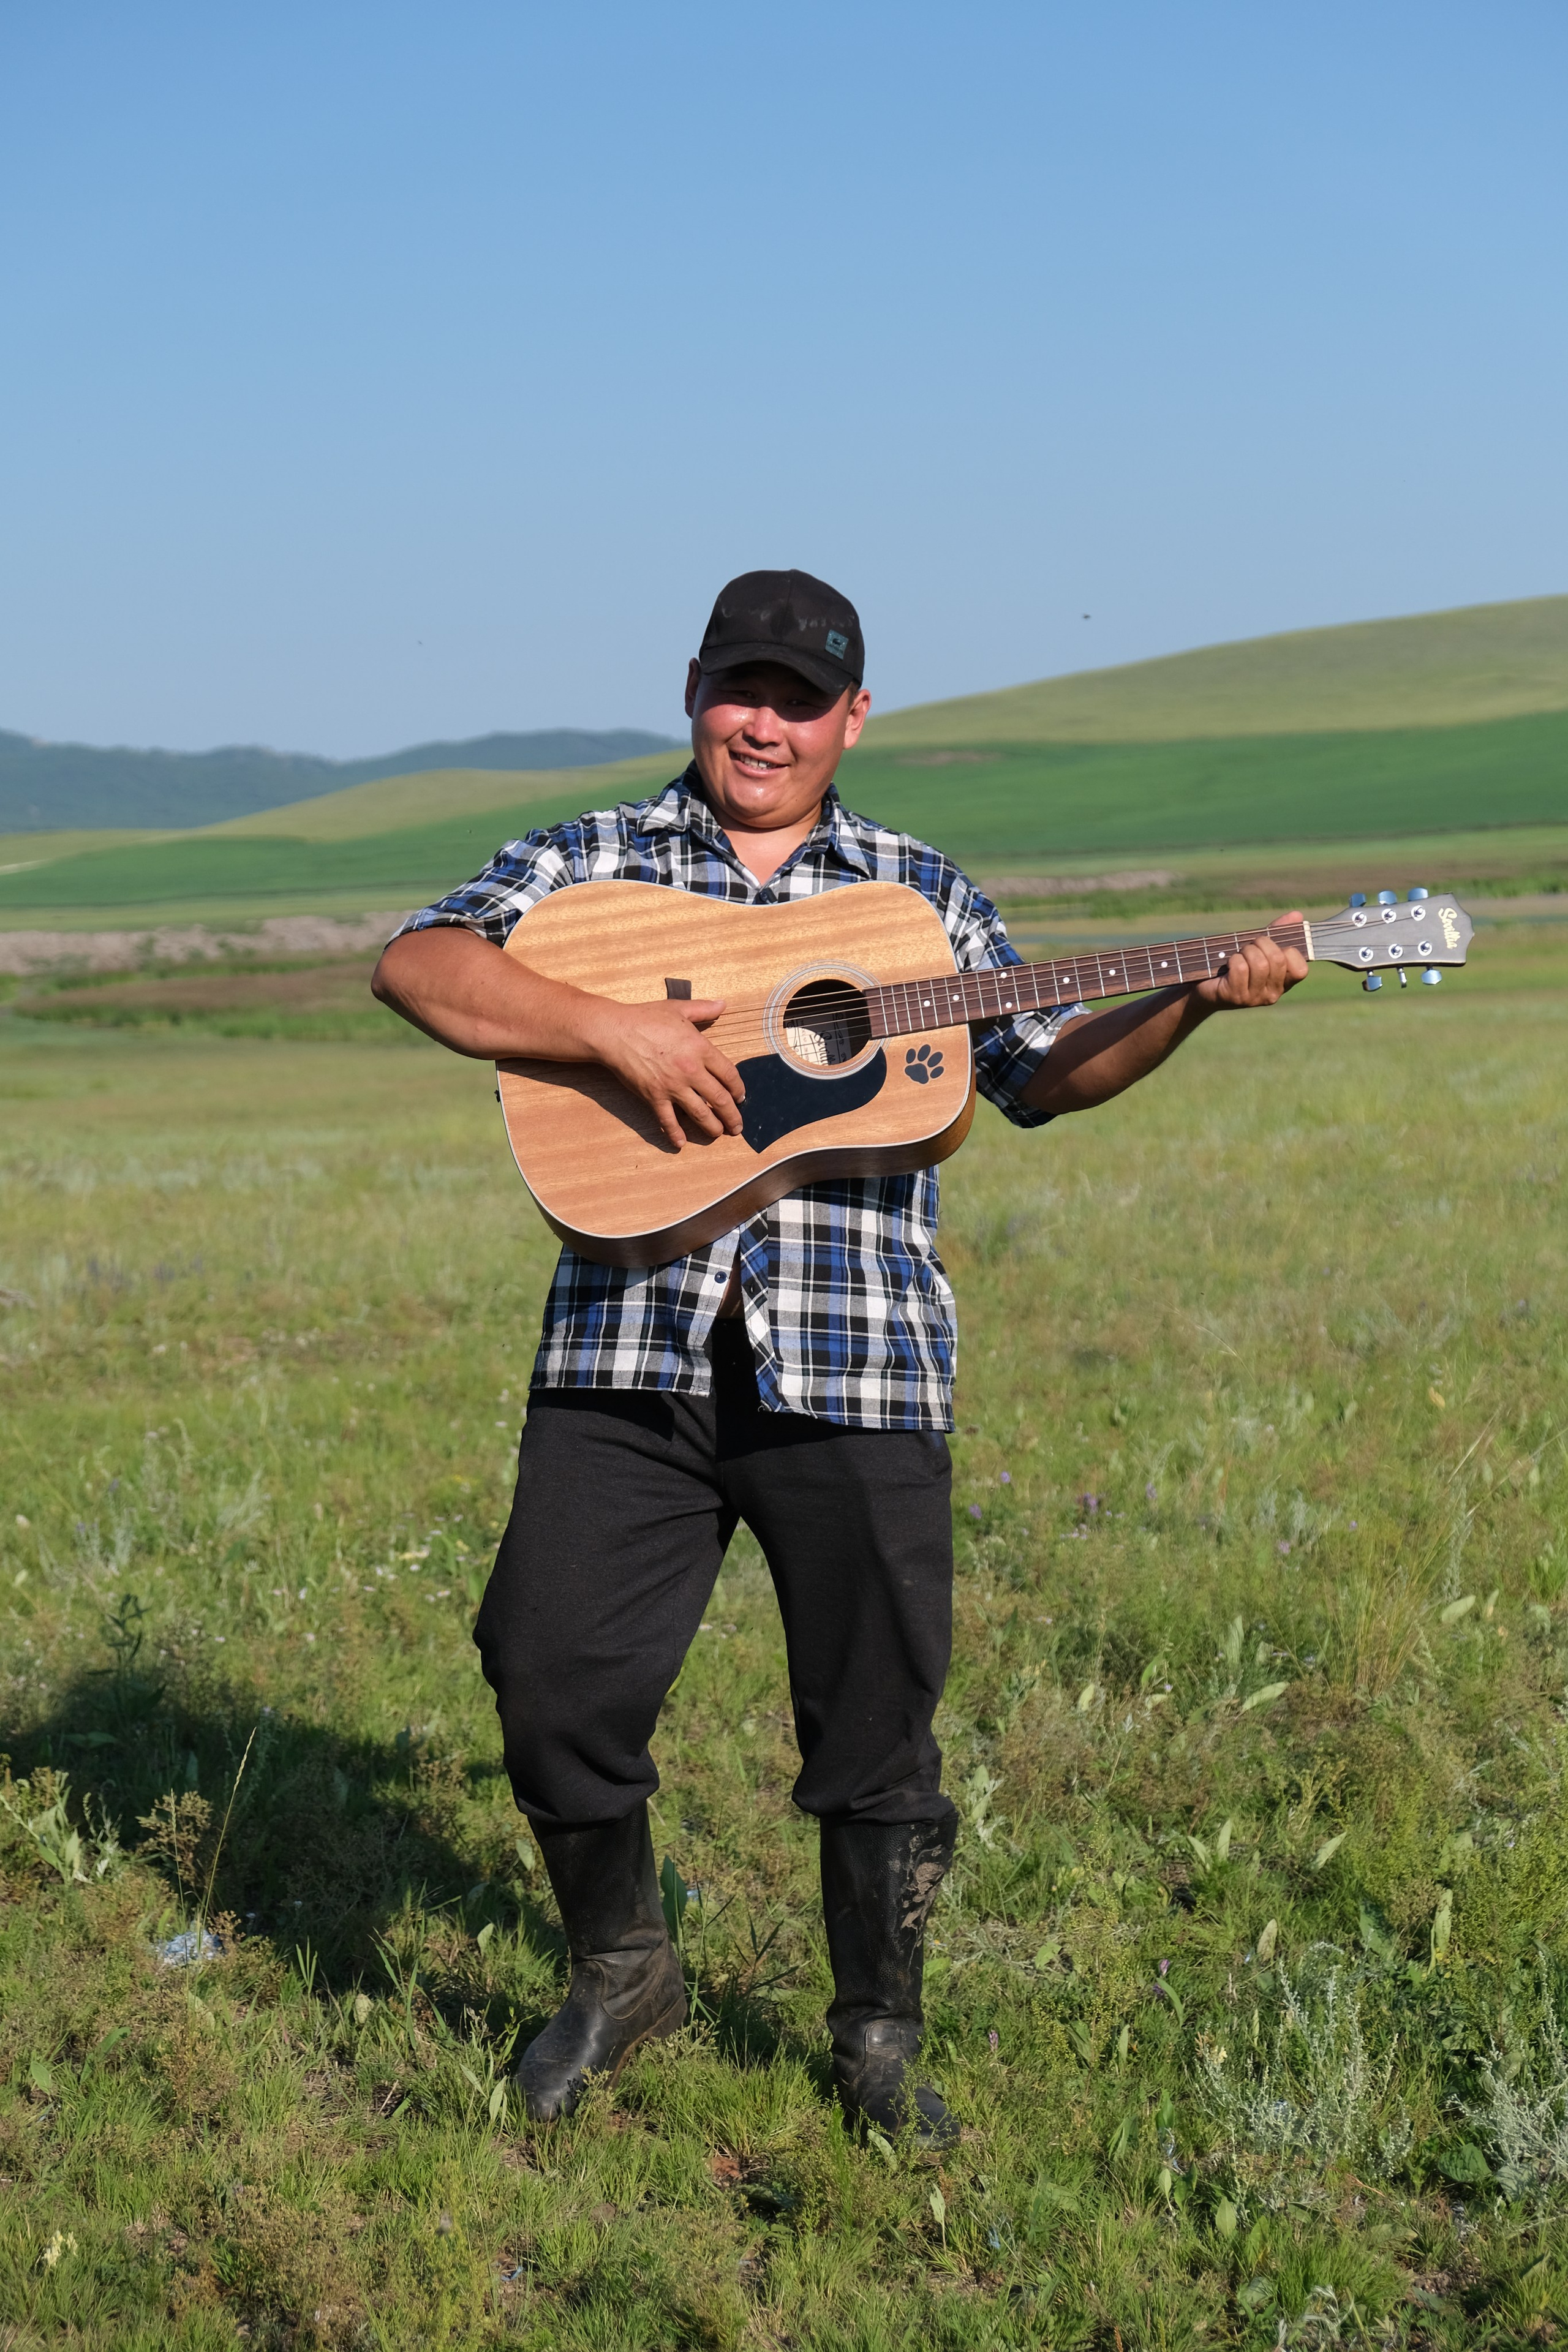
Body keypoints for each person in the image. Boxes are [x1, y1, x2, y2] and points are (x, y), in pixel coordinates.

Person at [372, 569, 1305, 2146]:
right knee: (543, 1672)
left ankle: (876, 2035)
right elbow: (421, 964)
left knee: (877, 1727)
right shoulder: (594, 859)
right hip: (628, 1342)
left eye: (799, 700)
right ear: (691, 691)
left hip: (856, 1360)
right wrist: (613, 1034)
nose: (764, 723)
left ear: (850, 717)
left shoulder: (912, 897)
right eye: (740, 688)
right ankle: (621, 1972)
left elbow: (1041, 1074)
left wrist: (1189, 1001)